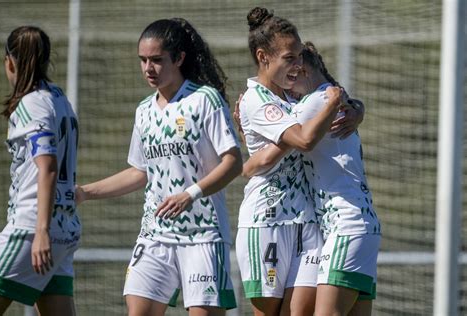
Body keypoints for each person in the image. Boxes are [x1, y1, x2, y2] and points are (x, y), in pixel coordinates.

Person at [75, 18, 242, 316]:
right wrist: (85, 192)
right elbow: (140, 171)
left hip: (202, 234)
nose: (148, 68)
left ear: (178, 58)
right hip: (155, 234)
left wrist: (189, 194)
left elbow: (233, 163)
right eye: (143, 60)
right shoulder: (144, 111)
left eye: (156, 60)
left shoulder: (205, 100)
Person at [242, 41, 381, 316]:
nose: (288, 89)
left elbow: (270, 152)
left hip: (346, 224)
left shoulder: (312, 105)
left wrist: (245, 167)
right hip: (361, 226)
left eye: (291, 80)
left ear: (303, 70)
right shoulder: (330, 100)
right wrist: (357, 107)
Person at [235, 7, 346, 316]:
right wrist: (335, 102)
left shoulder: (293, 96)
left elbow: (327, 93)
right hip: (267, 221)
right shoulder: (256, 99)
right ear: (263, 57)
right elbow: (304, 139)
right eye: (289, 58)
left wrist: (356, 108)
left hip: (307, 220)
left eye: (299, 56)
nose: (298, 65)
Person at [0, 26, 80, 316]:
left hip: (32, 230)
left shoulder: (31, 104)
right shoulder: (59, 99)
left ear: (9, 61)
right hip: (64, 230)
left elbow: (48, 167)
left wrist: (40, 231)